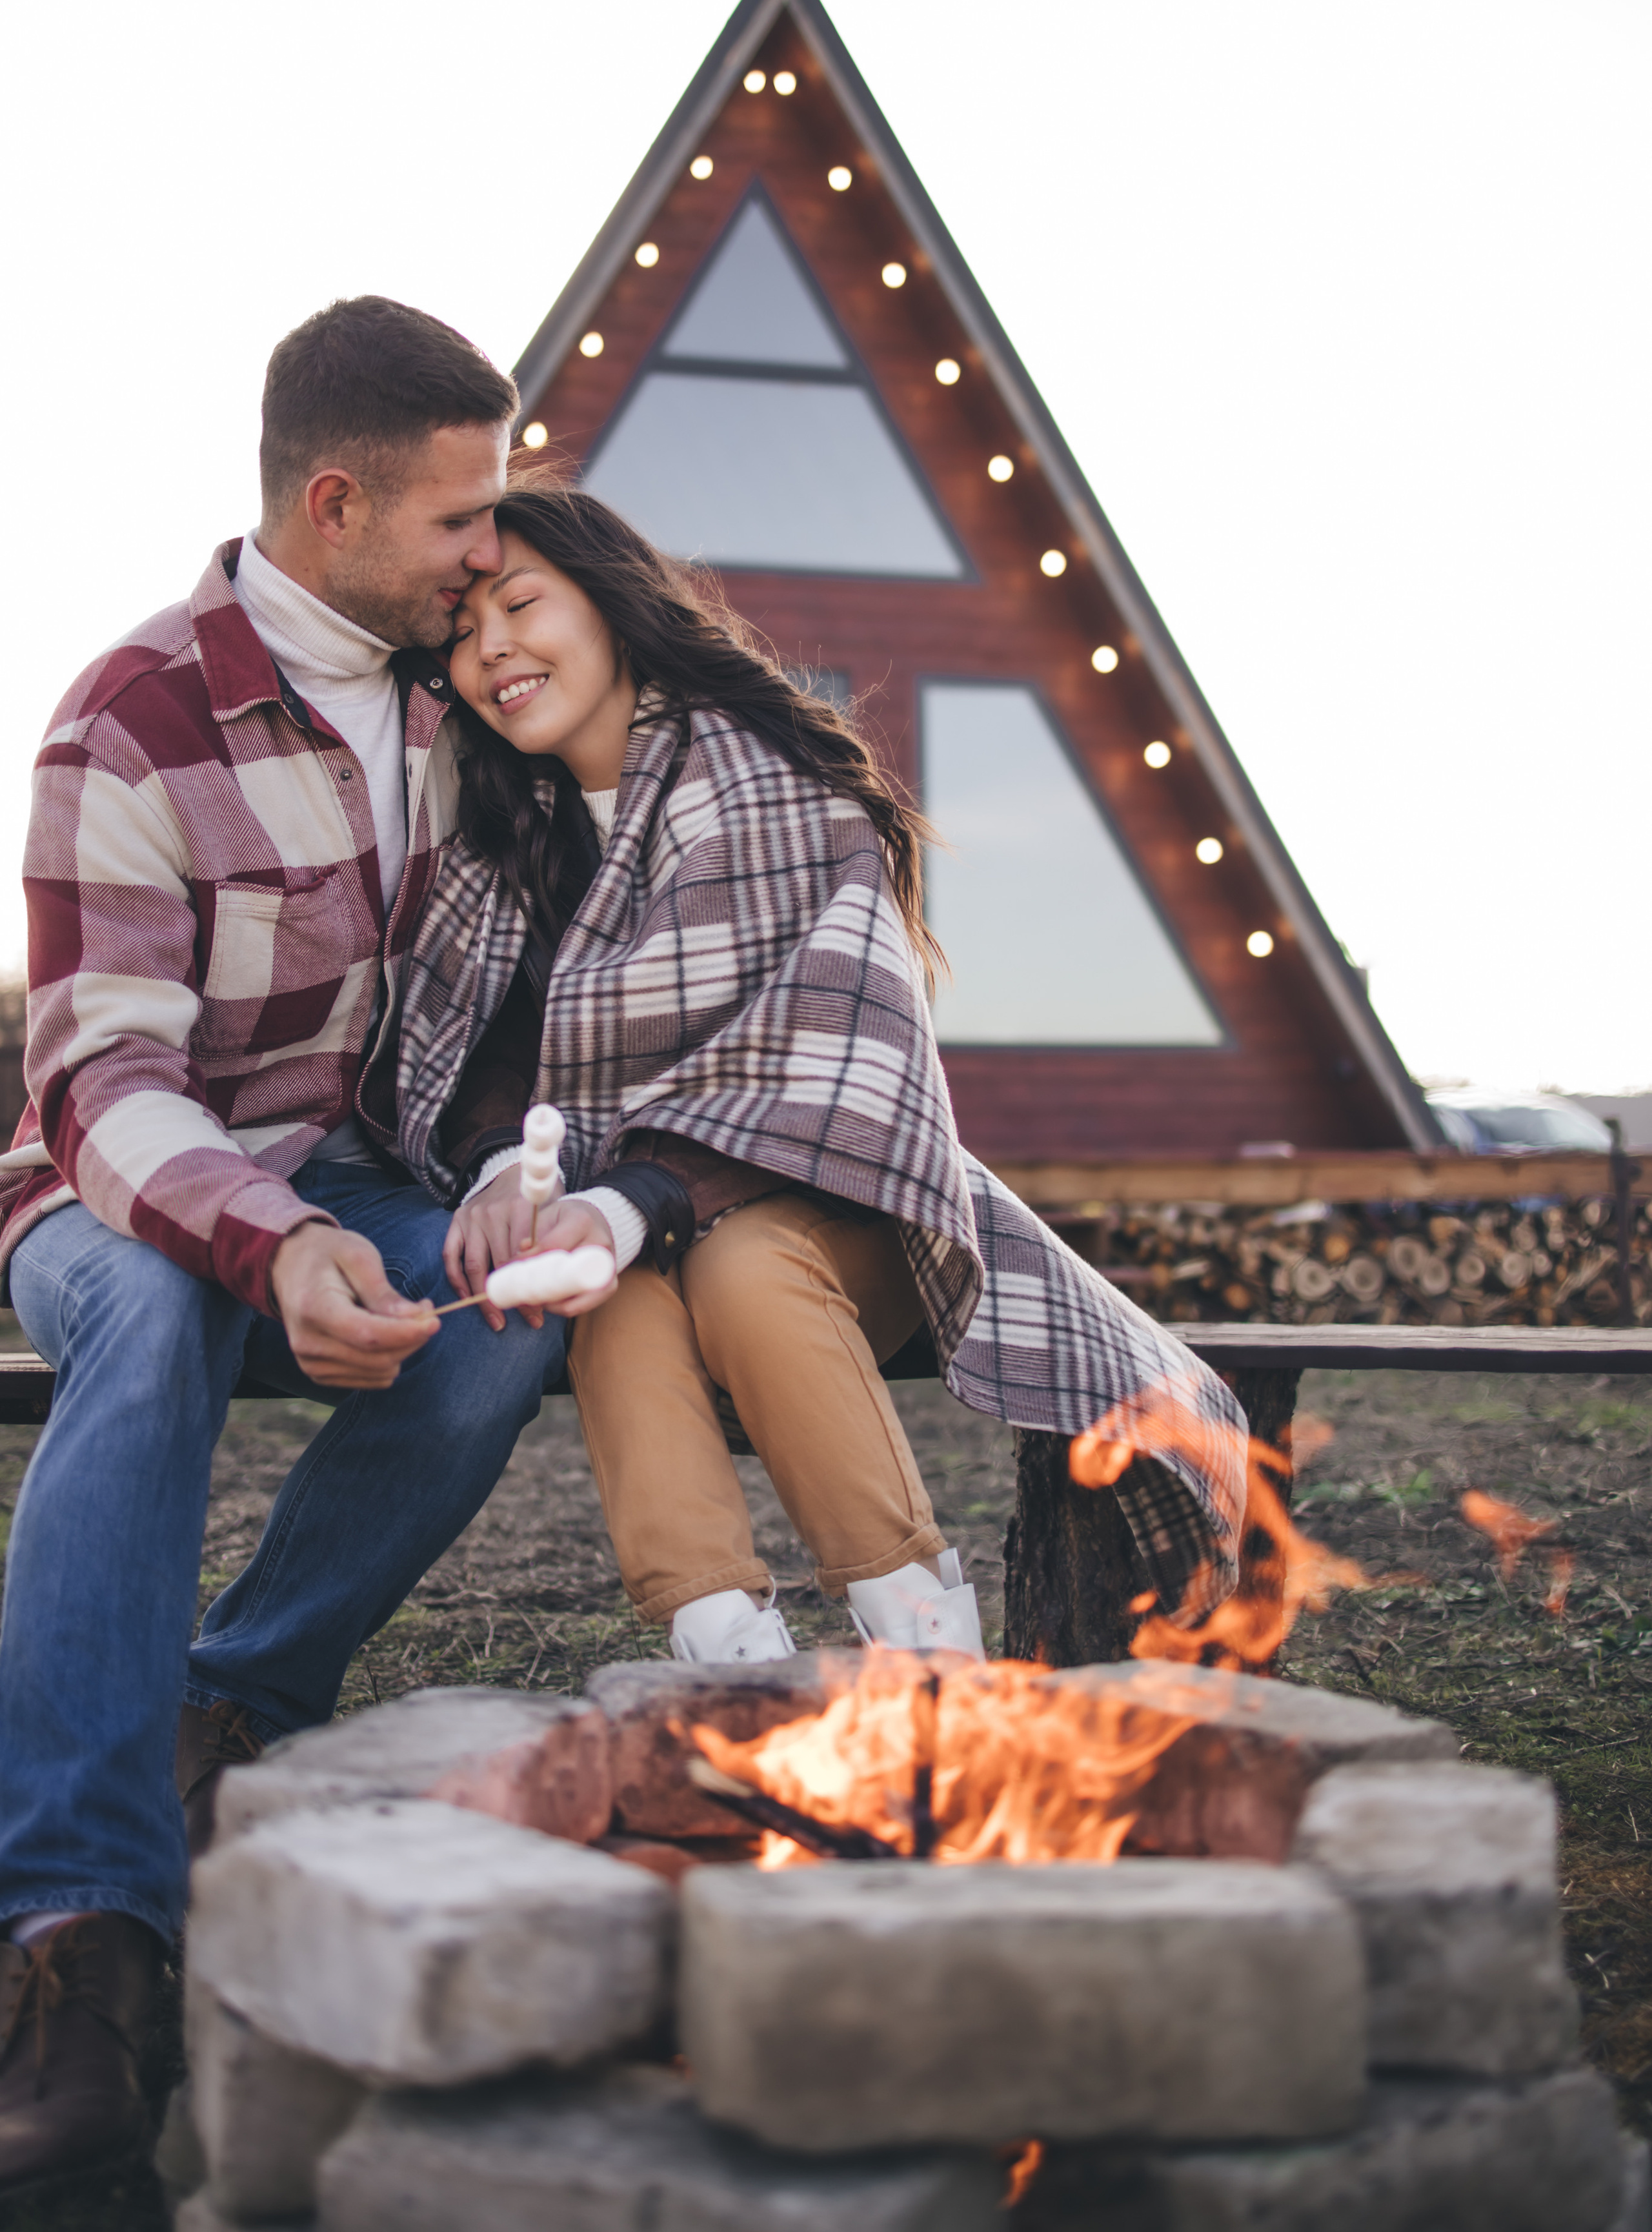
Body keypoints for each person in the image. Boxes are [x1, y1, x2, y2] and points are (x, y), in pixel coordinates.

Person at [0, 299, 568, 2201]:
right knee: (155, 1313)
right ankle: (80, 1936)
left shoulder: (449, 697)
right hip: (108, 1200)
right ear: (335, 505)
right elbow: (100, 1084)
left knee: (503, 1320)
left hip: (343, 1175)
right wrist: (272, 1243)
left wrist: (499, 1174)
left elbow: (495, 1010)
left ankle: (226, 1700)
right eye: (459, 519)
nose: (495, 553)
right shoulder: (130, 716)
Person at [395, 482, 1248, 1670]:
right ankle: (725, 1648)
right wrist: (503, 1168)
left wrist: (631, 1200)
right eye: (459, 634)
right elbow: (482, 1052)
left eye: (521, 604)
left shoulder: (777, 788)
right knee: (603, 1297)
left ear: (610, 602)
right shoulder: (501, 835)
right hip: (627, 1230)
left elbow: (837, 1049)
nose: (491, 650)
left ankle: (920, 1632)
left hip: (837, 1209)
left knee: (745, 1264)